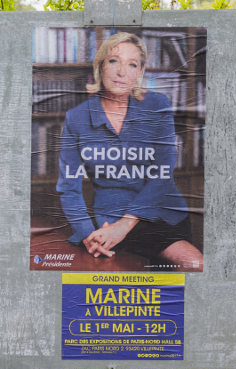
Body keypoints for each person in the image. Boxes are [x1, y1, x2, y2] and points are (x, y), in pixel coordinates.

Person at [56, 32, 203, 271]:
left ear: (140, 72)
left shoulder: (158, 105)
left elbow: (162, 173)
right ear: (101, 66)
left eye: (132, 64)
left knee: (194, 264)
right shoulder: (77, 118)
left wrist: (123, 226)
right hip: (109, 220)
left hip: (161, 214)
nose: (122, 72)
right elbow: (68, 187)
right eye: (114, 61)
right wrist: (87, 235)